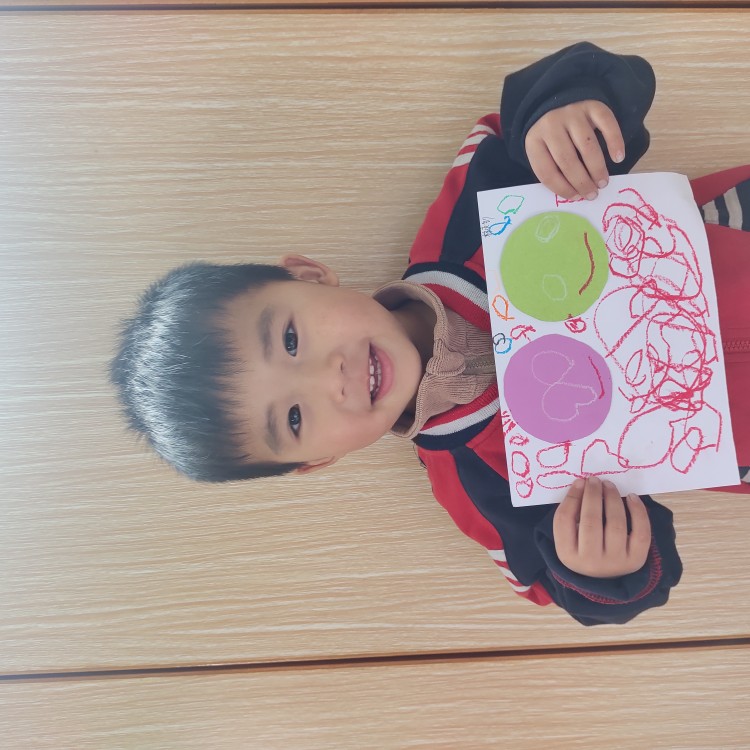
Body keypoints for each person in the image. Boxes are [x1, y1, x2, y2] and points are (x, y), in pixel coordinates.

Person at [111, 42, 750, 625]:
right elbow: (565, 585)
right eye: (297, 418)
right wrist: (601, 568)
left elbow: (542, 109)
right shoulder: (477, 490)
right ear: (319, 460)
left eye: (291, 341)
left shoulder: (472, 215)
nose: (332, 379)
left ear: (307, 275)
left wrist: (561, 116)